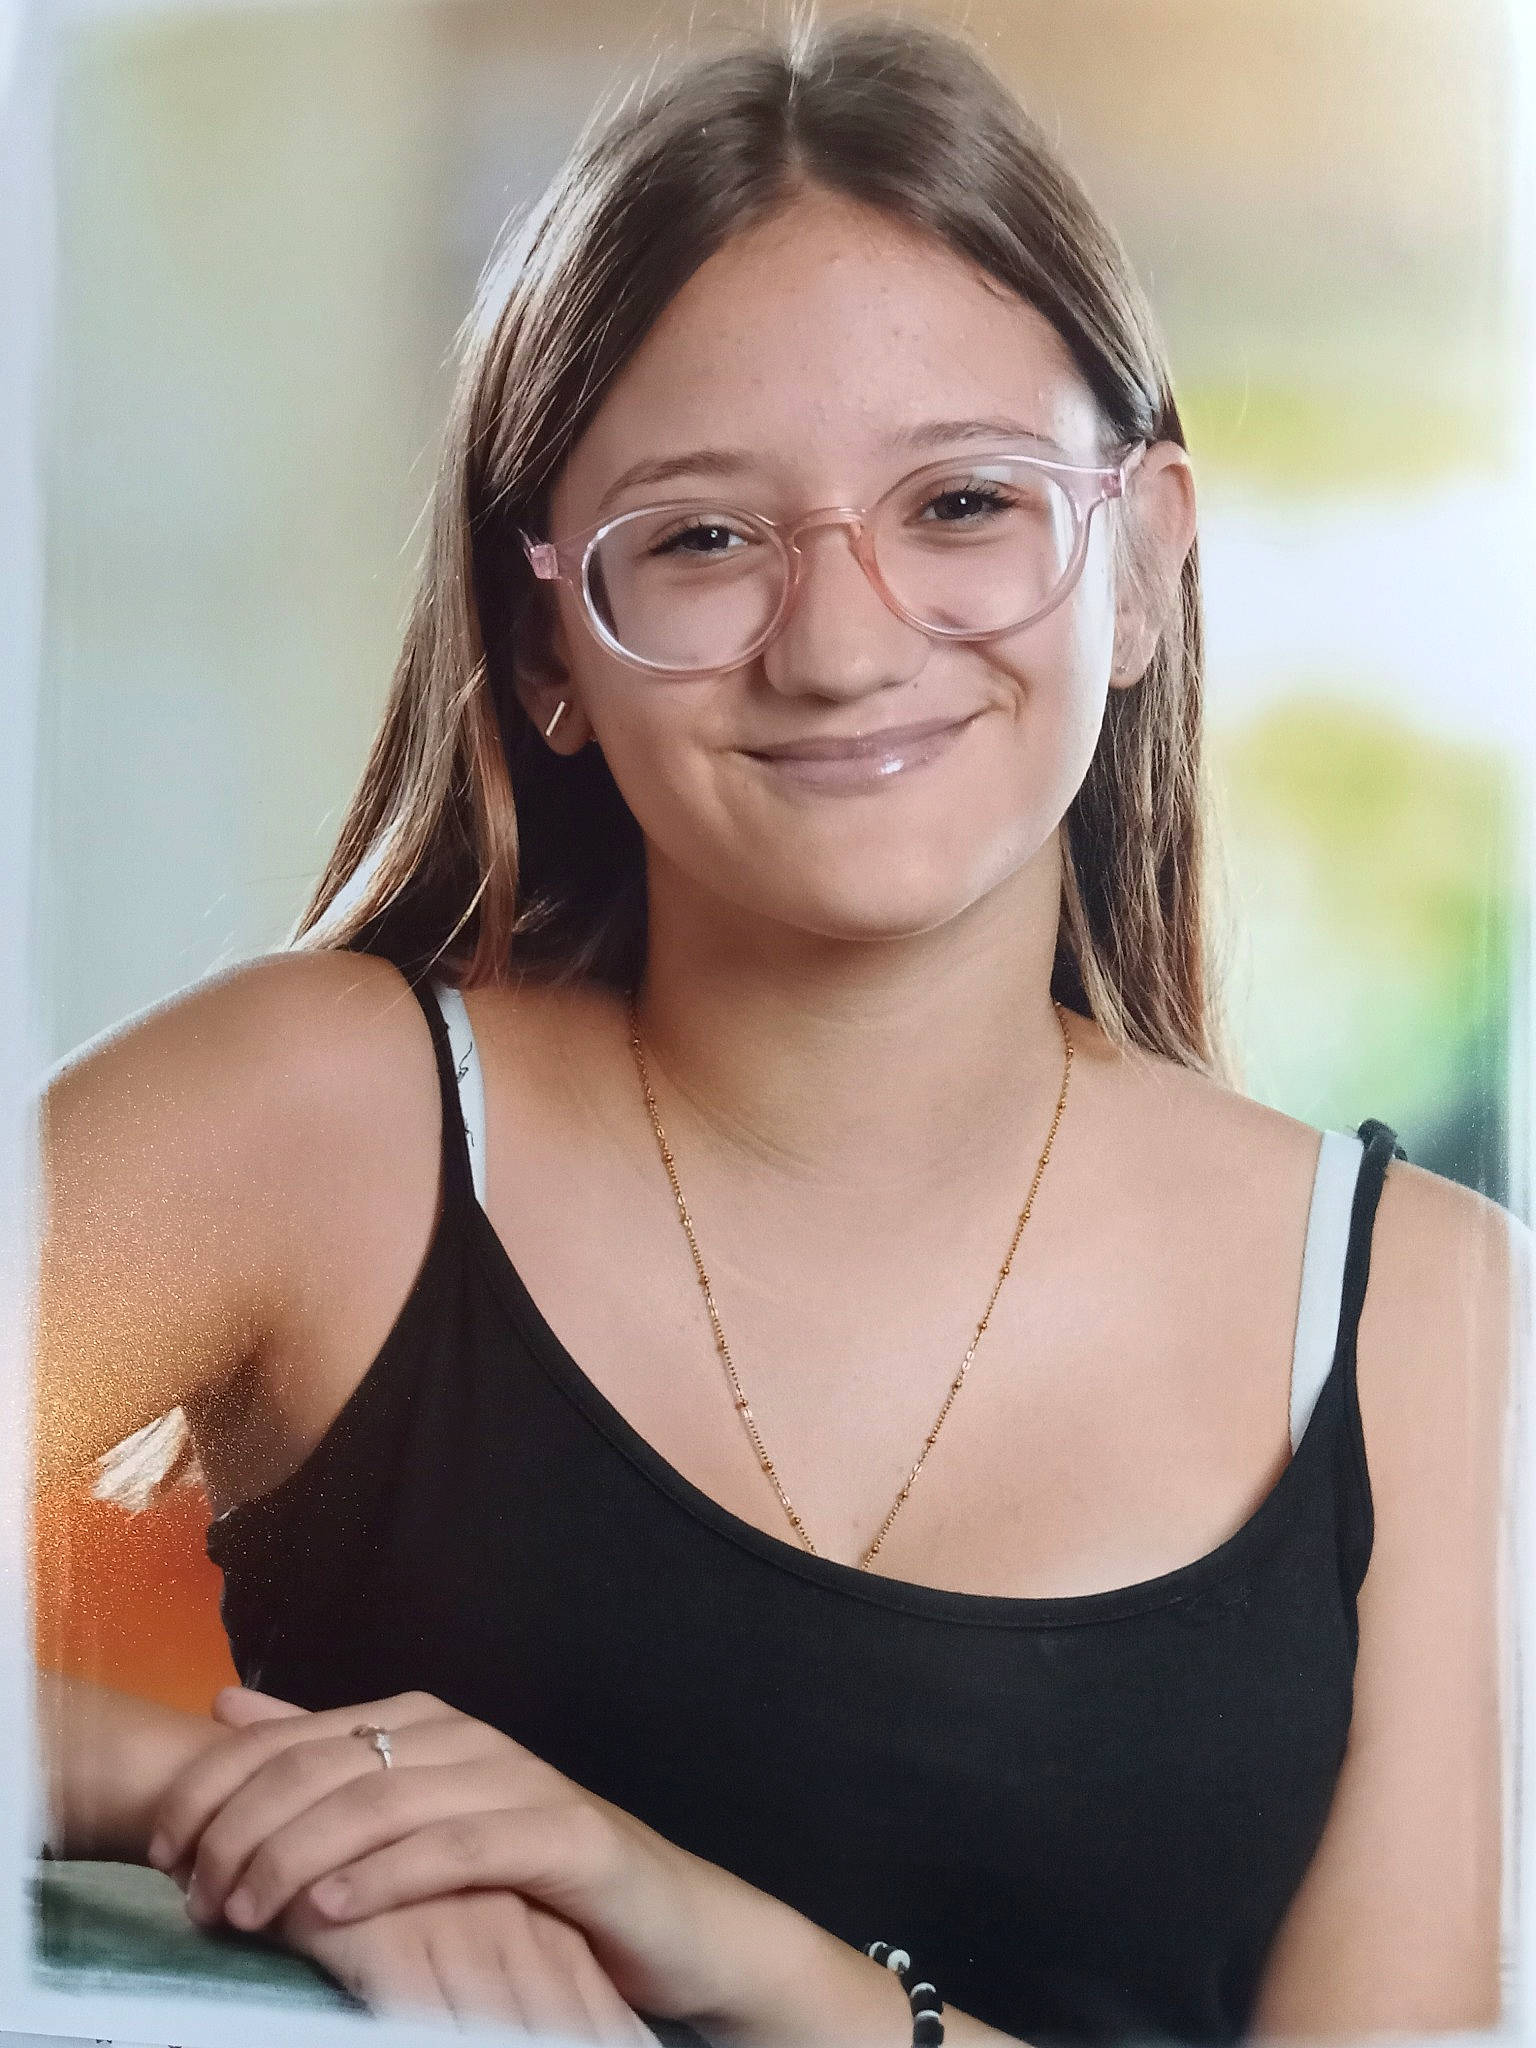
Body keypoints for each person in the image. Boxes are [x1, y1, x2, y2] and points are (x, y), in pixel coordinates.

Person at [32, 13, 1519, 2047]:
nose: (837, 644)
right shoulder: (312, 1118)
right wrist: (248, 1803)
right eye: (708, 537)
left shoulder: (1424, 1316)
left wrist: (710, 1936)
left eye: (966, 504)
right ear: (551, 641)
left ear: (1146, 567)